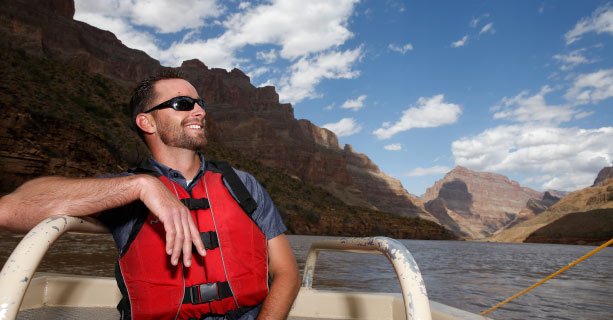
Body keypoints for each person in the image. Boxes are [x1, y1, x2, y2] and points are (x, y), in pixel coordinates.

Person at [0, 70, 300, 320]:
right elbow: (11, 208)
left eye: (200, 103)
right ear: (147, 122)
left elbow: (286, 273)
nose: (200, 111)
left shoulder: (244, 185)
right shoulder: (122, 190)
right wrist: (141, 186)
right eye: (183, 103)